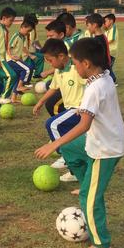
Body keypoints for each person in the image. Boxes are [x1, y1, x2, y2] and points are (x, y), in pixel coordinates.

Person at [35, 37, 124, 248]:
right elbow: (92, 112)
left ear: (86, 63)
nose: (74, 67)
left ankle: (102, 244)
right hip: (96, 140)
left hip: (106, 148)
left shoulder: (96, 86)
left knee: (89, 198)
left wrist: (54, 143)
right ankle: (87, 181)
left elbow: (84, 124)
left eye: (75, 63)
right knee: (70, 150)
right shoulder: (103, 76)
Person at [32, 39, 86, 183]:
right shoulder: (59, 70)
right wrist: (40, 101)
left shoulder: (76, 69)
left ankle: (69, 162)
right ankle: (74, 159)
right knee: (64, 131)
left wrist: (85, 106)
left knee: (53, 124)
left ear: (61, 56)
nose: (50, 64)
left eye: (50, 60)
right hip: (70, 109)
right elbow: (54, 87)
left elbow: (91, 86)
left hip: (79, 109)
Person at [7, 21, 35, 101]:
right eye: (28, 30)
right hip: (11, 60)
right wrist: (11, 56)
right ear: (22, 27)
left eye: (30, 31)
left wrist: (24, 57)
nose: (28, 33)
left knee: (19, 77)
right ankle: (21, 86)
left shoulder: (22, 37)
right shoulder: (16, 36)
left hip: (17, 59)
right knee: (28, 69)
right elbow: (8, 47)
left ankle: (13, 98)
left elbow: (21, 48)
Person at [85, 14, 116, 83]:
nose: (87, 28)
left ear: (95, 25)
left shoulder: (97, 41)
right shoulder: (103, 36)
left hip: (102, 71)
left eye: (88, 25)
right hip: (105, 69)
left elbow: (99, 59)